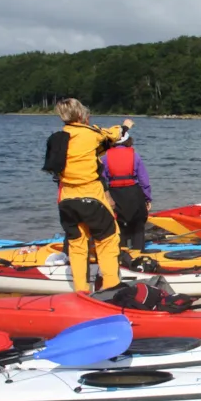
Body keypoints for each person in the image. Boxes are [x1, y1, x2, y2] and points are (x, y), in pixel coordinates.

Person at [42, 98, 131, 293]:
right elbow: (114, 135)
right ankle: (111, 288)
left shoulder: (57, 138)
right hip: (91, 198)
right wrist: (125, 127)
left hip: (66, 200)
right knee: (107, 240)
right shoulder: (90, 133)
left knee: (77, 245)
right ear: (82, 115)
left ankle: (80, 290)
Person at [100, 133, 152, 251]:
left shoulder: (104, 157)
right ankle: (138, 252)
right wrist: (147, 198)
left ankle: (121, 253)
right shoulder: (135, 156)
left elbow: (101, 180)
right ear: (128, 141)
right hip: (134, 192)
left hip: (114, 193)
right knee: (138, 225)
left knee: (118, 225)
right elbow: (144, 180)